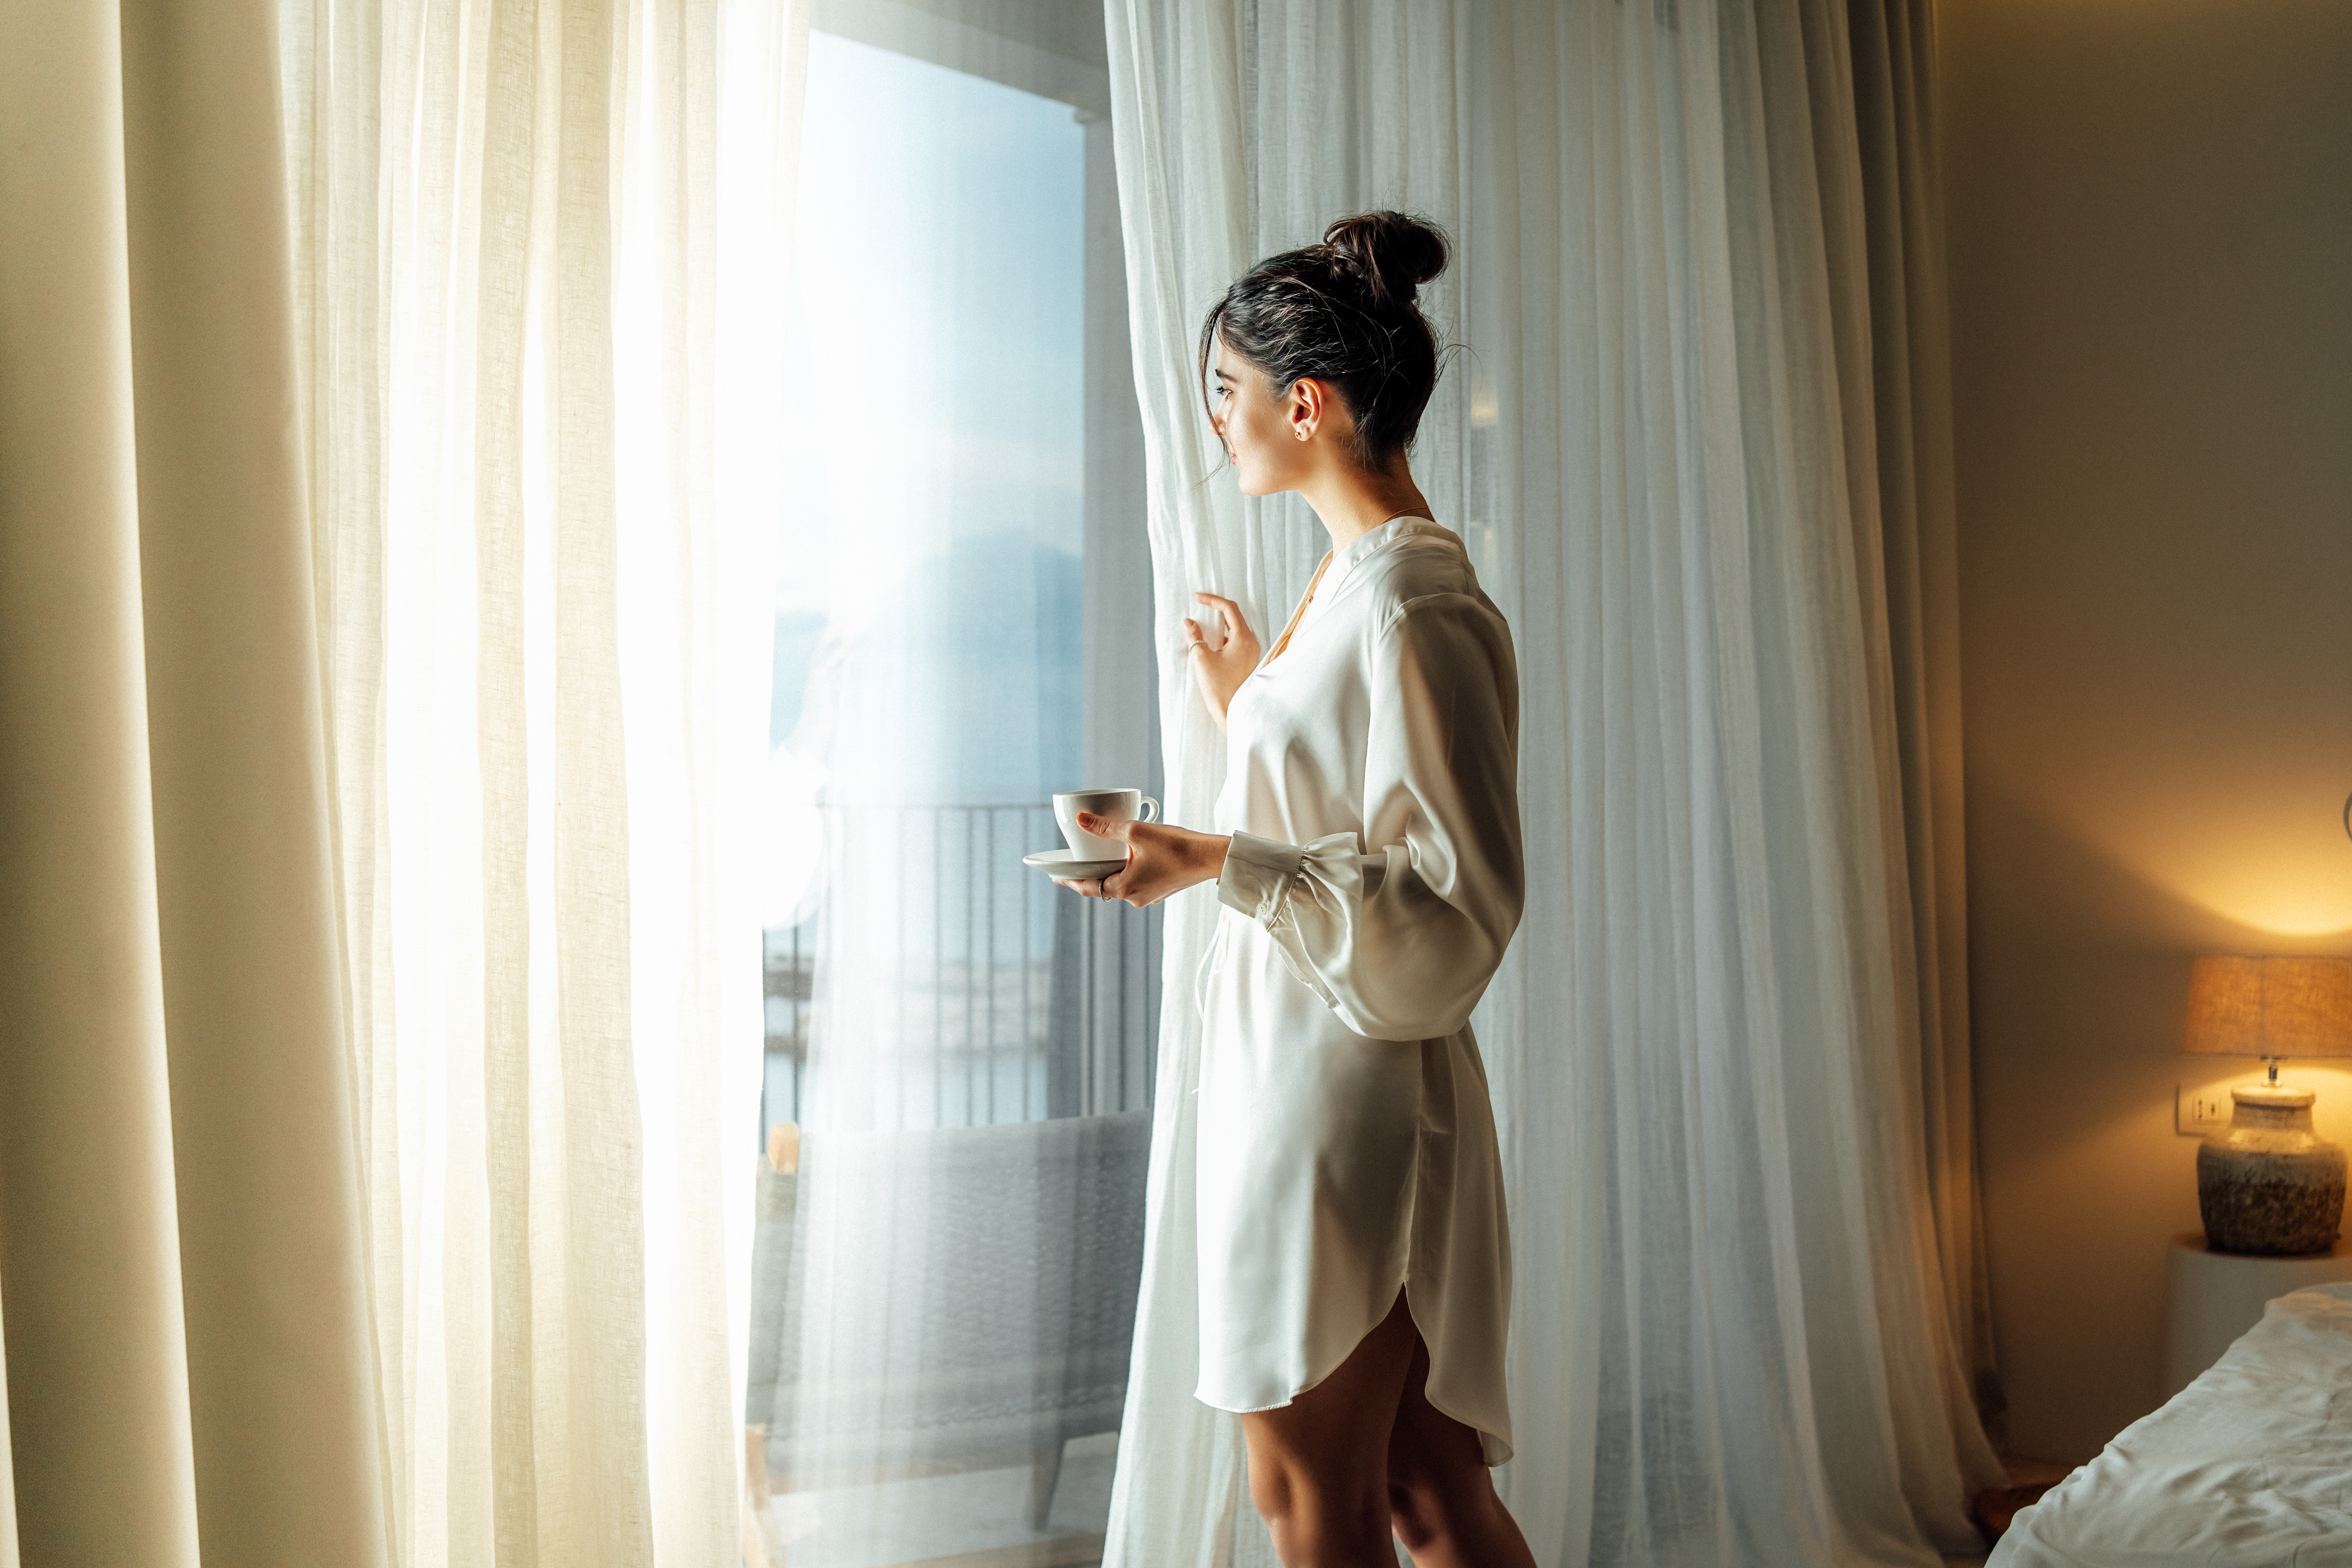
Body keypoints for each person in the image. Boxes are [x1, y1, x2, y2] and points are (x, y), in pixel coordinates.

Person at [1054, 211, 1536, 1568]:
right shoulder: (1354, 583)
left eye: (1228, 392)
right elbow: (1348, 806)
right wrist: (1249, 696)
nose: (1219, 422)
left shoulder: (1411, 601)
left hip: (1346, 1087)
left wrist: (1210, 856)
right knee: (1422, 1492)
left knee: (1308, 1495)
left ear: (1305, 402)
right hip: (1300, 1063)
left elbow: (1452, 901)